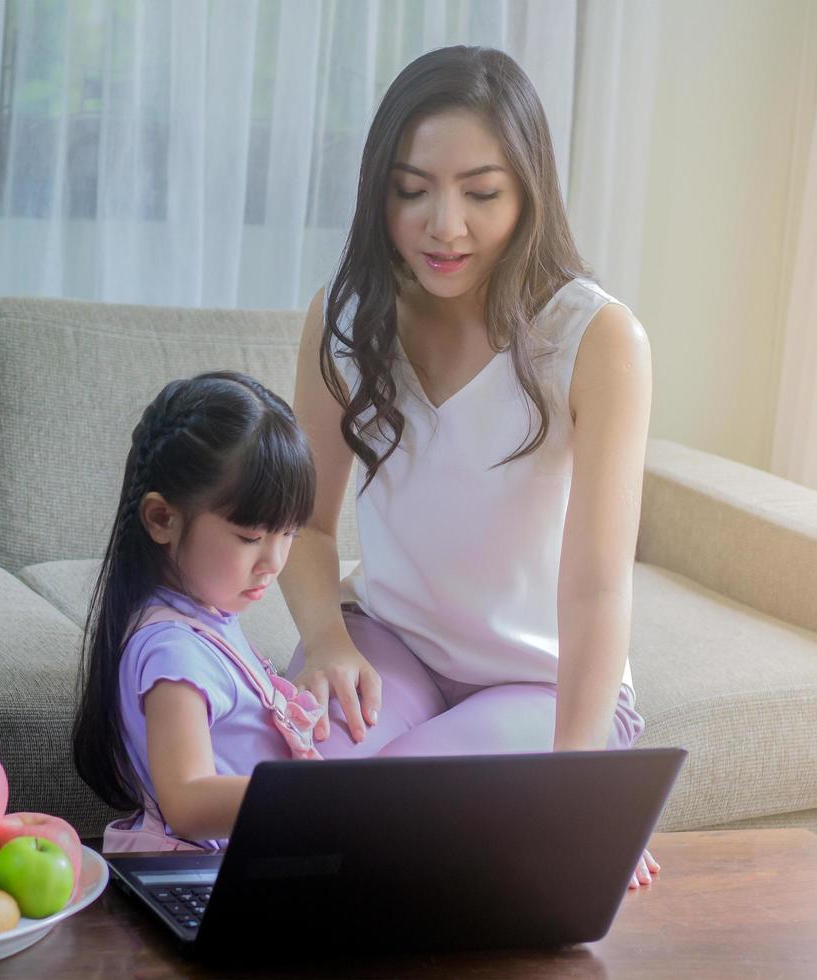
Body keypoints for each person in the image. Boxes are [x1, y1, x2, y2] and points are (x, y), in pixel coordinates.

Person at [280, 46, 661, 888]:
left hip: (541, 684)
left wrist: (581, 786)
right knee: (274, 796)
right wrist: (325, 640)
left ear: (527, 192)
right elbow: (303, 522)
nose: (442, 225)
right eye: (410, 191)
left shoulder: (595, 340)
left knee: (407, 824)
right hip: (392, 648)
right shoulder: (342, 319)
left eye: (480, 193)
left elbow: (599, 587)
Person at [72, 371, 323, 851]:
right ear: (162, 519)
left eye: (288, 533)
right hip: (203, 878)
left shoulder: (205, 618)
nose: (274, 561)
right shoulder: (173, 652)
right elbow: (186, 802)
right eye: (251, 537)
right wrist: (315, 797)